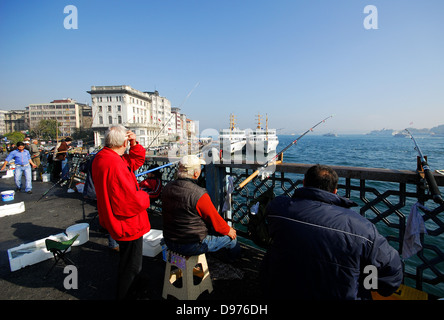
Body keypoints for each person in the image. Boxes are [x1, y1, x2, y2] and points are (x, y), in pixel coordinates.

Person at [260, 164, 403, 300]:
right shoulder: (363, 229)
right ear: (335, 191)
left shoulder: (278, 208)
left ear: (304, 183)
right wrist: (368, 284)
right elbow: (392, 274)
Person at [92, 125, 150, 300]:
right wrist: (144, 196)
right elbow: (126, 202)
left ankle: (132, 291)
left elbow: (135, 161)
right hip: (127, 223)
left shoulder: (104, 157)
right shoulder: (115, 164)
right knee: (131, 266)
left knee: (128, 261)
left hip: (115, 219)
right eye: (127, 141)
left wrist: (134, 143)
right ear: (122, 142)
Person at [162, 155, 240, 260]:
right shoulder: (199, 194)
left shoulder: (167, 187)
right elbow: (215, 221)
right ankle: (234, 263)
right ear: (196, 173)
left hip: (169, 240)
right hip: (190, 245)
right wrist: (229, 231)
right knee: (232, 240)